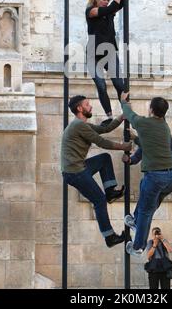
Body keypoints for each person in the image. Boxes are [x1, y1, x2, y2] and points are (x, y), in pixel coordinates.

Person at [61, 95, 132, 248]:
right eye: (87, 104)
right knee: (99, 201)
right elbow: (102, 142)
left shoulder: (82, 125)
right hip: (75, 173)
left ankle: (111, 191)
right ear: (80, 109)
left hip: (80, 168)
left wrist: (122, 116)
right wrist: (124, 147)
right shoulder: (78, 126)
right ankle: (110, 237)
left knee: (104, 159)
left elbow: (104, 129)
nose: (90, 106)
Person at [120, 92, 172, 256]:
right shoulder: (164, 126)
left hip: (156, 177)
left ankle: (138, 246)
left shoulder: (145, 123)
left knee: (147, 210)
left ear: (151, 109)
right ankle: (135, 220)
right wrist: (136, 139)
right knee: (147, 198)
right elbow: (150, 145)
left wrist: (123, 101)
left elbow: (129, 115)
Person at [85, 0, 131, 125]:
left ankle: (127, 112)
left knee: (120, 84)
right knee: (101, 85)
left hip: (109, 52)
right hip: (93, 54)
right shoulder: (90, 11)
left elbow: (123, 3)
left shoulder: (109, 12)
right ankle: (110, 116)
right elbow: (111, 7)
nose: (105, 1)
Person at [122, 129, 172, 208]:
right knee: (149, 207)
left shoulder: (163, 134)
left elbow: (152, 148)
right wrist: (129, 160)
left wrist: (135, 138)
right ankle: (136, 219)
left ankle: (136, 219)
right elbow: (138, 155)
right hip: (163, 179)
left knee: (145, 203)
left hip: (168, 177)